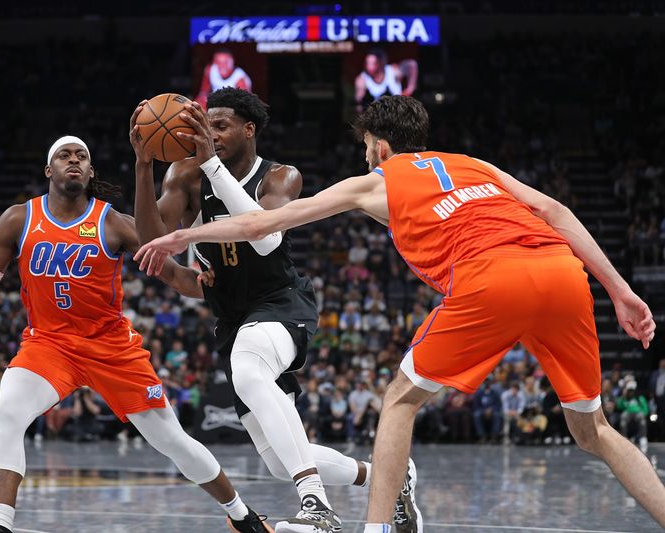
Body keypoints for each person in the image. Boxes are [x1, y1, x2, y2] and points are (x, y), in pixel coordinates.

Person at [135, 95, 665, 531]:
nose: (365, 156)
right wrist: (620, 291)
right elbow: (556, 212)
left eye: (366, 147)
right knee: (593, 429)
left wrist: (187, 234)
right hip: (562, 273)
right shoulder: (475, 165)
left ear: (380, 146)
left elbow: (260, 228)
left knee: (399, 401)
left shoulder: (375, 180)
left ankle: (373, 527)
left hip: (490, 276)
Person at [131, 88, 421, 533]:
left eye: (221, 125)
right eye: (206, 126)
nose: (211, 134)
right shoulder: (185, 176)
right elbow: (151, 236)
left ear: (250, 130)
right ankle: (388, 476)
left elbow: (264, 238)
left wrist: (210, 162)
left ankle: (317, 508)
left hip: (282, 303)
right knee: (277, 461)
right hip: (232, 317)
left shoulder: (281, 177)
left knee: (248, 366)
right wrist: (144, 164)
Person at [0, 135, 271, 533]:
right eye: (64, 155)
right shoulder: (19, 218)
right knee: (8, 410)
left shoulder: (112, 222)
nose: (74, 160)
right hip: (49, 344)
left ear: (90, 172)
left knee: (171, 440)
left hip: (110, 347)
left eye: (82, 156)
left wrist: (211, 285)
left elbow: (173, 273)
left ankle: (242, 515)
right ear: (48, 170)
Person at [355, 48, 418, 112]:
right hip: (378, 116)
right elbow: (358, 104)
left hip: (398, 114)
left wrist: (411, 88)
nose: (369, 67)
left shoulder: (393, 71)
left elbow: (412, 64)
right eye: (367, 63)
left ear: (380, 63)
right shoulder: (362, 79)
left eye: (373, 63)